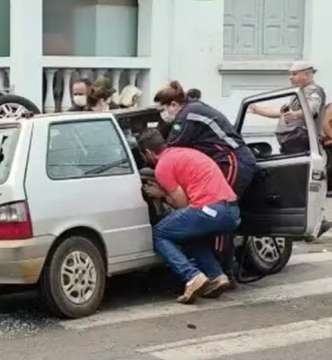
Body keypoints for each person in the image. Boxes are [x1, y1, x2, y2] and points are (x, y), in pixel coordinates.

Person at [153, 80, 256, 284]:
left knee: (217, 212)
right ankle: (221, 272)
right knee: (217, 217)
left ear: (173, 104)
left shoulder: (186, 116)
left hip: (231, 161)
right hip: (230, 160)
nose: (164, 115)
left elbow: (171, 146)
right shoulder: (194, 108)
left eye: (163, 109)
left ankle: (220, 272)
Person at [139, 129, 240, 303]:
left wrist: (161, 194)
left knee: (159, 233)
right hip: (232, 210)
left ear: (148, 153)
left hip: (210, 210)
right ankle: (216, 276)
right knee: (188, 234)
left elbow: (182, 204)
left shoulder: (163, 166)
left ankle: (192, 276)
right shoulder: (184, 153)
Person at [249, 61, 326, 155]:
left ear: (307, 75)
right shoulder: (299, 92)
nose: (290, 77)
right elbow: (281, 111)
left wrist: (296, 115)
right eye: (290, 74)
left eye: (295, 74)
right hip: (292, 143)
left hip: (302, 144)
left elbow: (311, 110)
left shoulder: (313, 91)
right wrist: (259, 110)